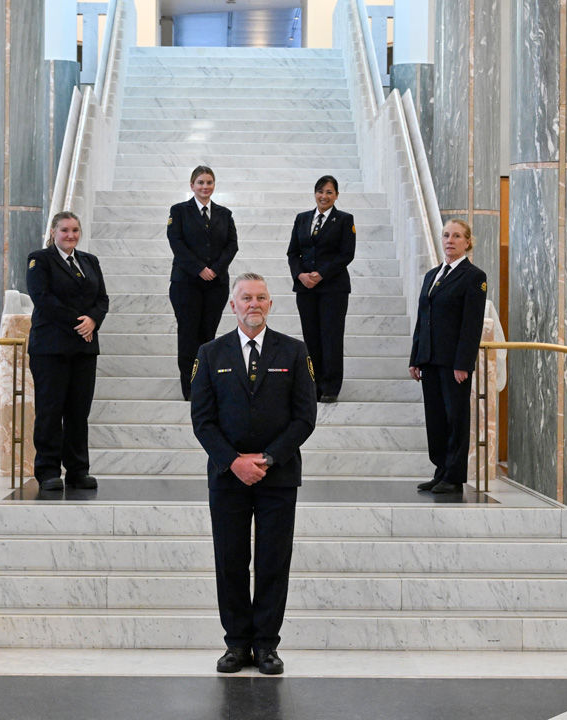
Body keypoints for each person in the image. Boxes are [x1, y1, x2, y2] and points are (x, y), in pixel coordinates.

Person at [190, 273, 317, 675]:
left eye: (261, 297)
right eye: (246, 298)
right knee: (230, 560)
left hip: (277, 477)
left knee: (272, 562)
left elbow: (304, 418)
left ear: (271, 304)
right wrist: (234, 462)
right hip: (228, 477)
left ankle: (266, 646)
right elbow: (203, 420)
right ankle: (236, 644)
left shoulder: (295, 352)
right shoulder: (210, 354)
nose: (253, 304)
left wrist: (266, 459)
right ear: (233, 305)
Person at [26, 211, 110, 493]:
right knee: (50, 410)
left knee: (78, 412)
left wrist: (94, 320)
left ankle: (78, 470)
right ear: (53, 232)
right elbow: (43, 298)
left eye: (75, 230)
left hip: (84, 348)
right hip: (51, 348)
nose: (71, 235)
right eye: (64, 230)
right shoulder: (40, 259)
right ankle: (48, 470)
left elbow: (102, 299)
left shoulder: (90, 261)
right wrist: (80, 322)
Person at [409, 220, 487, 494]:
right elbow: (423, 319)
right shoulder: (432, 275)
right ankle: (440, 470)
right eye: (446, 235)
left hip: (453, 363)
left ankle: (454, 476)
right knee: (436, 419)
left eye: (456, 236)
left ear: (467, 242)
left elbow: (472, 324)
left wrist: (463, 363)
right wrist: (415, 357)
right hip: (430, 359)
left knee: (455, 419)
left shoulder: (474, 276)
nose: (450, 240)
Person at [168, 165, 239, 400]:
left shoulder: (224, 214)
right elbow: (176, 243)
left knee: (208, 335)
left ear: (214, 185)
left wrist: (215, 270)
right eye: (200, 182)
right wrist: (199, 269)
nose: (205, 186)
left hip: (215, 285)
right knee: (188, 335)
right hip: (186, 283)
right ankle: (190, 388)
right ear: (192, 186)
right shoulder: (179, 211)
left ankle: (206, 383)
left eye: (209, 182)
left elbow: (232, 245)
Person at [287, 175, 356, 403]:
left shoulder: (345, 220)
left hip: (333, 289)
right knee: (311, 338)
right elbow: (293, 253)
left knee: (331, 337)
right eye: (320, 191)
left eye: (329, 192)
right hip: (306, 289)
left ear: (336, 195)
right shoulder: (302, 219)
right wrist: (301, 275)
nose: (324, 196)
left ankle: (330, 387)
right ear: (314, 193)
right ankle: (313, 386)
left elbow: (346, 254)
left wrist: (321, 274)